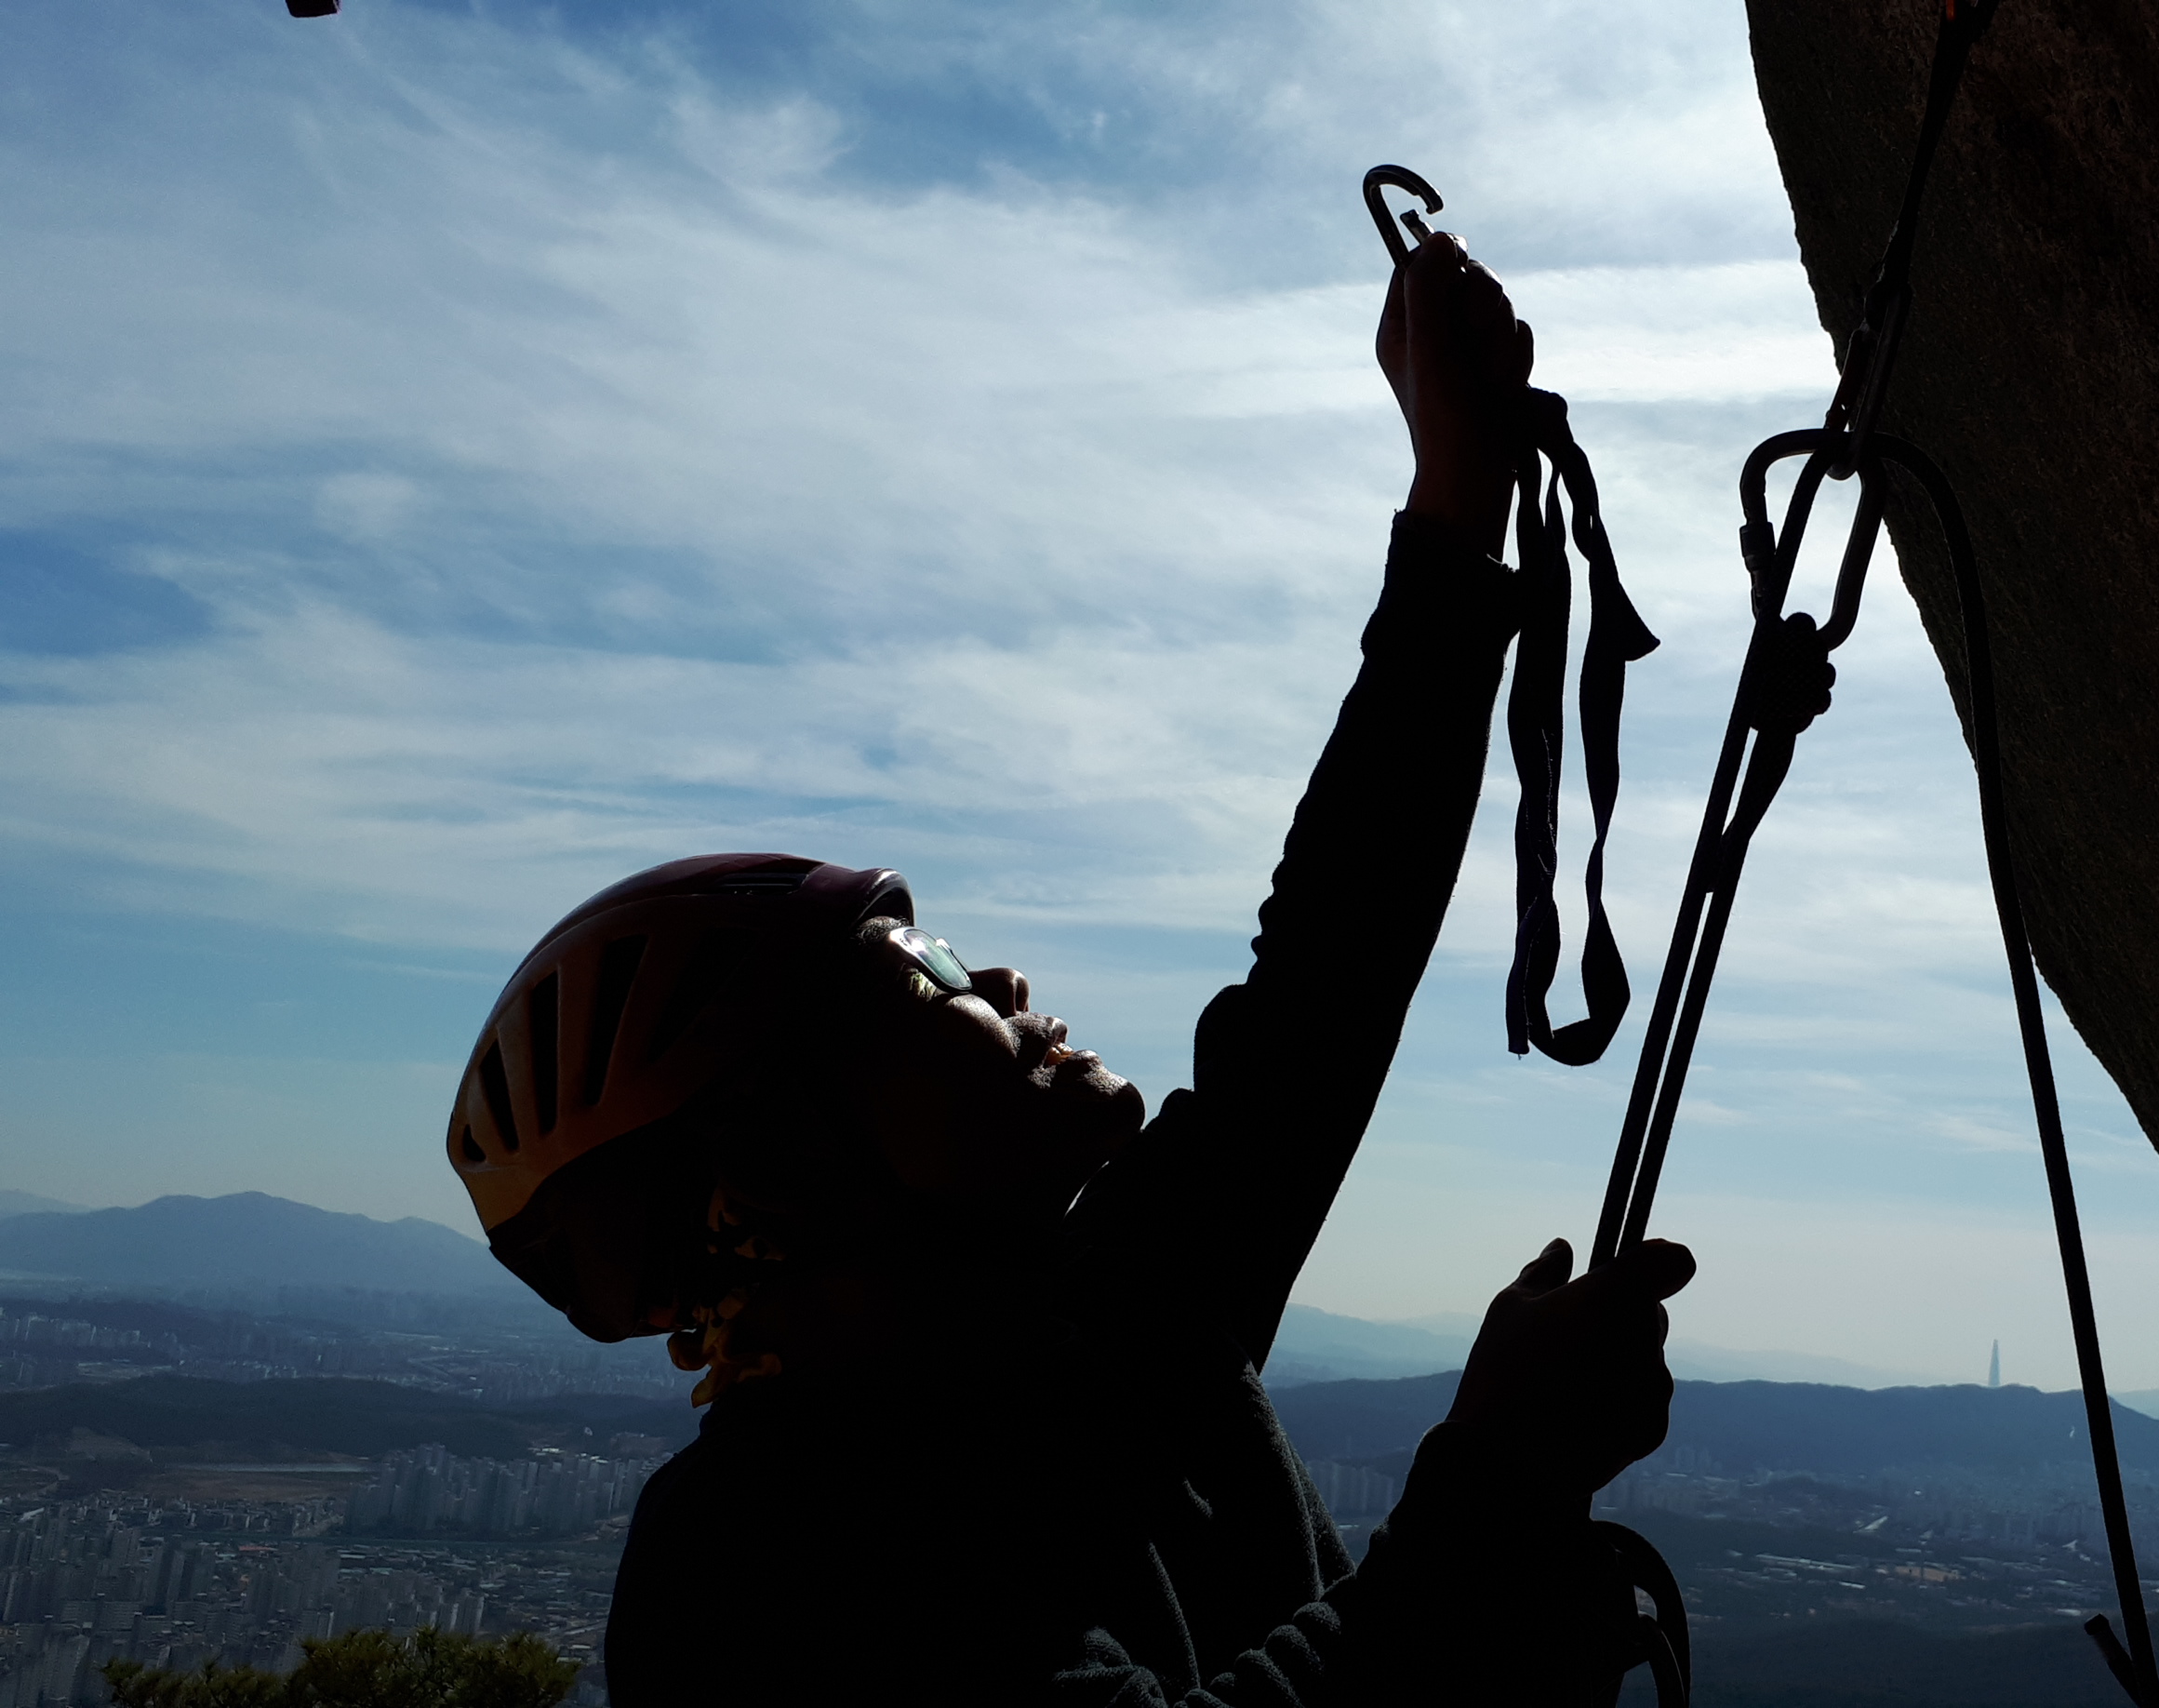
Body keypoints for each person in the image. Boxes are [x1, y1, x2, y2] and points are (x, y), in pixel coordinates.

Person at [440, 229, 1698, 1705]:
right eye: (922, 977)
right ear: (785, 1170)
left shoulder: (1103, 1321)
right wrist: (1496, 1488)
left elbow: (1322, 981)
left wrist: (1459, 497)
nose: (1001, 985)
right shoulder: (744, 1563)